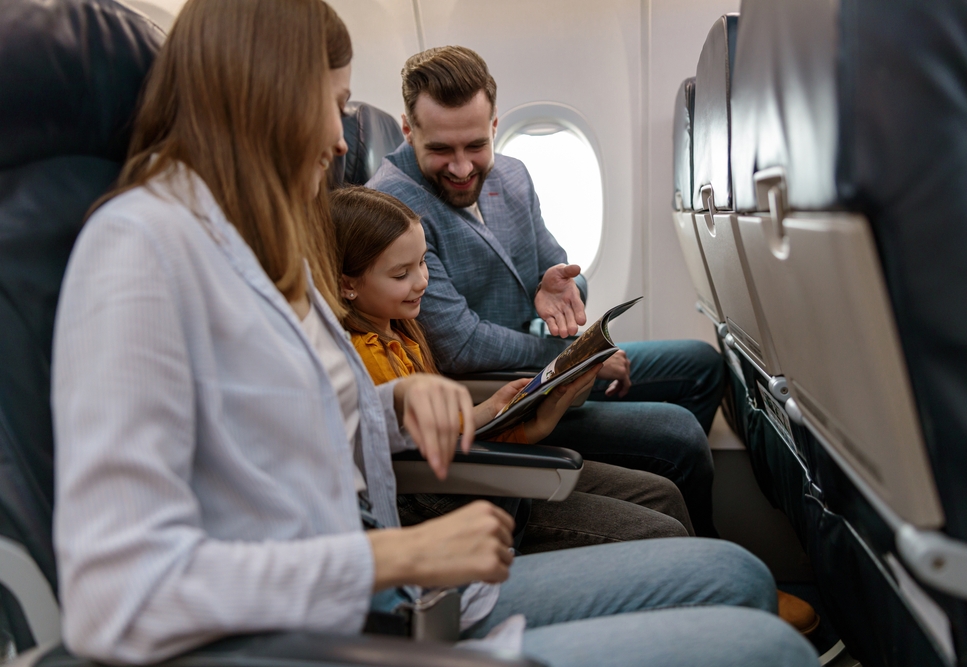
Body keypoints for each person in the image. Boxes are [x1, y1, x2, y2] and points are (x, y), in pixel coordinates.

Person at [51, 1, 819, 664]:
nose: (339, 137)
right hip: (334, 631)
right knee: (767, 647)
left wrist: (401, 399)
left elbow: (301, 428)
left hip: (400, 595)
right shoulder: (140, 250)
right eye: (333, 103)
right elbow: (116, 593)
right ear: (266, 96)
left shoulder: (254, 241)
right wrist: (397, 552)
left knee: (737, 576)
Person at [367, 45, 725, 538]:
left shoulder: (512, 174)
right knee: (678, 436)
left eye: (475, 145)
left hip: (544, 364)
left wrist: (562, 284)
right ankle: (701, 562)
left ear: (495, 124)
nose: (462, 168)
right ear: (409, 132)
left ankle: (666, 540)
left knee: (701, 365)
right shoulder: (391, 208)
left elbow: (560, 266)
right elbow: (462, 343)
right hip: (501, 388)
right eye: (440, 150)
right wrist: (577, 356)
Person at [327, 184, 694, 551]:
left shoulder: (400, 331)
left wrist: (498, 410)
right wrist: (524, 430)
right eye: (401, 274)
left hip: (468, 468)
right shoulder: (367, 355)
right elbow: (423, 452)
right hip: (448, 497)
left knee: (662, 493)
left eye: (422, 262)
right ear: (348, 286)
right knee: (663, 527)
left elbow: (439, 430)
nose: (422, 281)